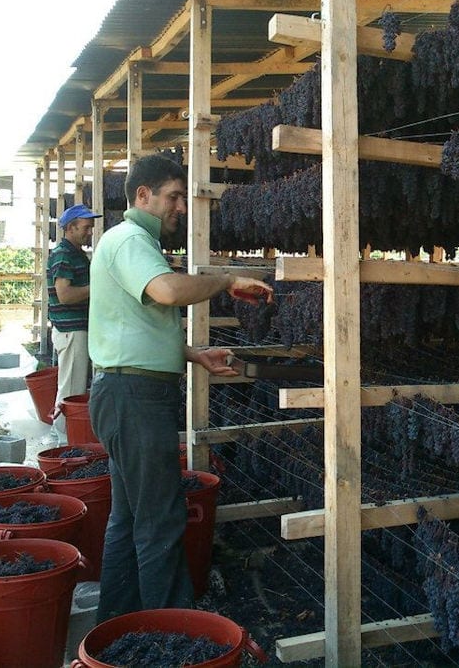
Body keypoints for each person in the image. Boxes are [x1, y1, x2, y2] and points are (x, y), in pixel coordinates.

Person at [88, 154, 272, 621]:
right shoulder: (130, 239)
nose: (180, 207)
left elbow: (135, 324)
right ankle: (173, 635)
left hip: (126, 392)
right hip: (133, 399)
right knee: (160, 521)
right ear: (142, 195)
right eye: (172, 197)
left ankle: (121, 626)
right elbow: (167, 292)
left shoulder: (133, 242)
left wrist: (192, 355)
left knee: (130, 520)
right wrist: (226, 279)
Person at [46, 204, 101, 439]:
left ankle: (66, 438)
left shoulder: (75, 253)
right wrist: (98, 287)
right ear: (70, 228)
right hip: (72, 331)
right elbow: (65, 295)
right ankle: (63, 442)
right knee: (70, 391)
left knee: (72, 387)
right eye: (86, 227)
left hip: (76, 329)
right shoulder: (63, 254)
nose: (90, 232)